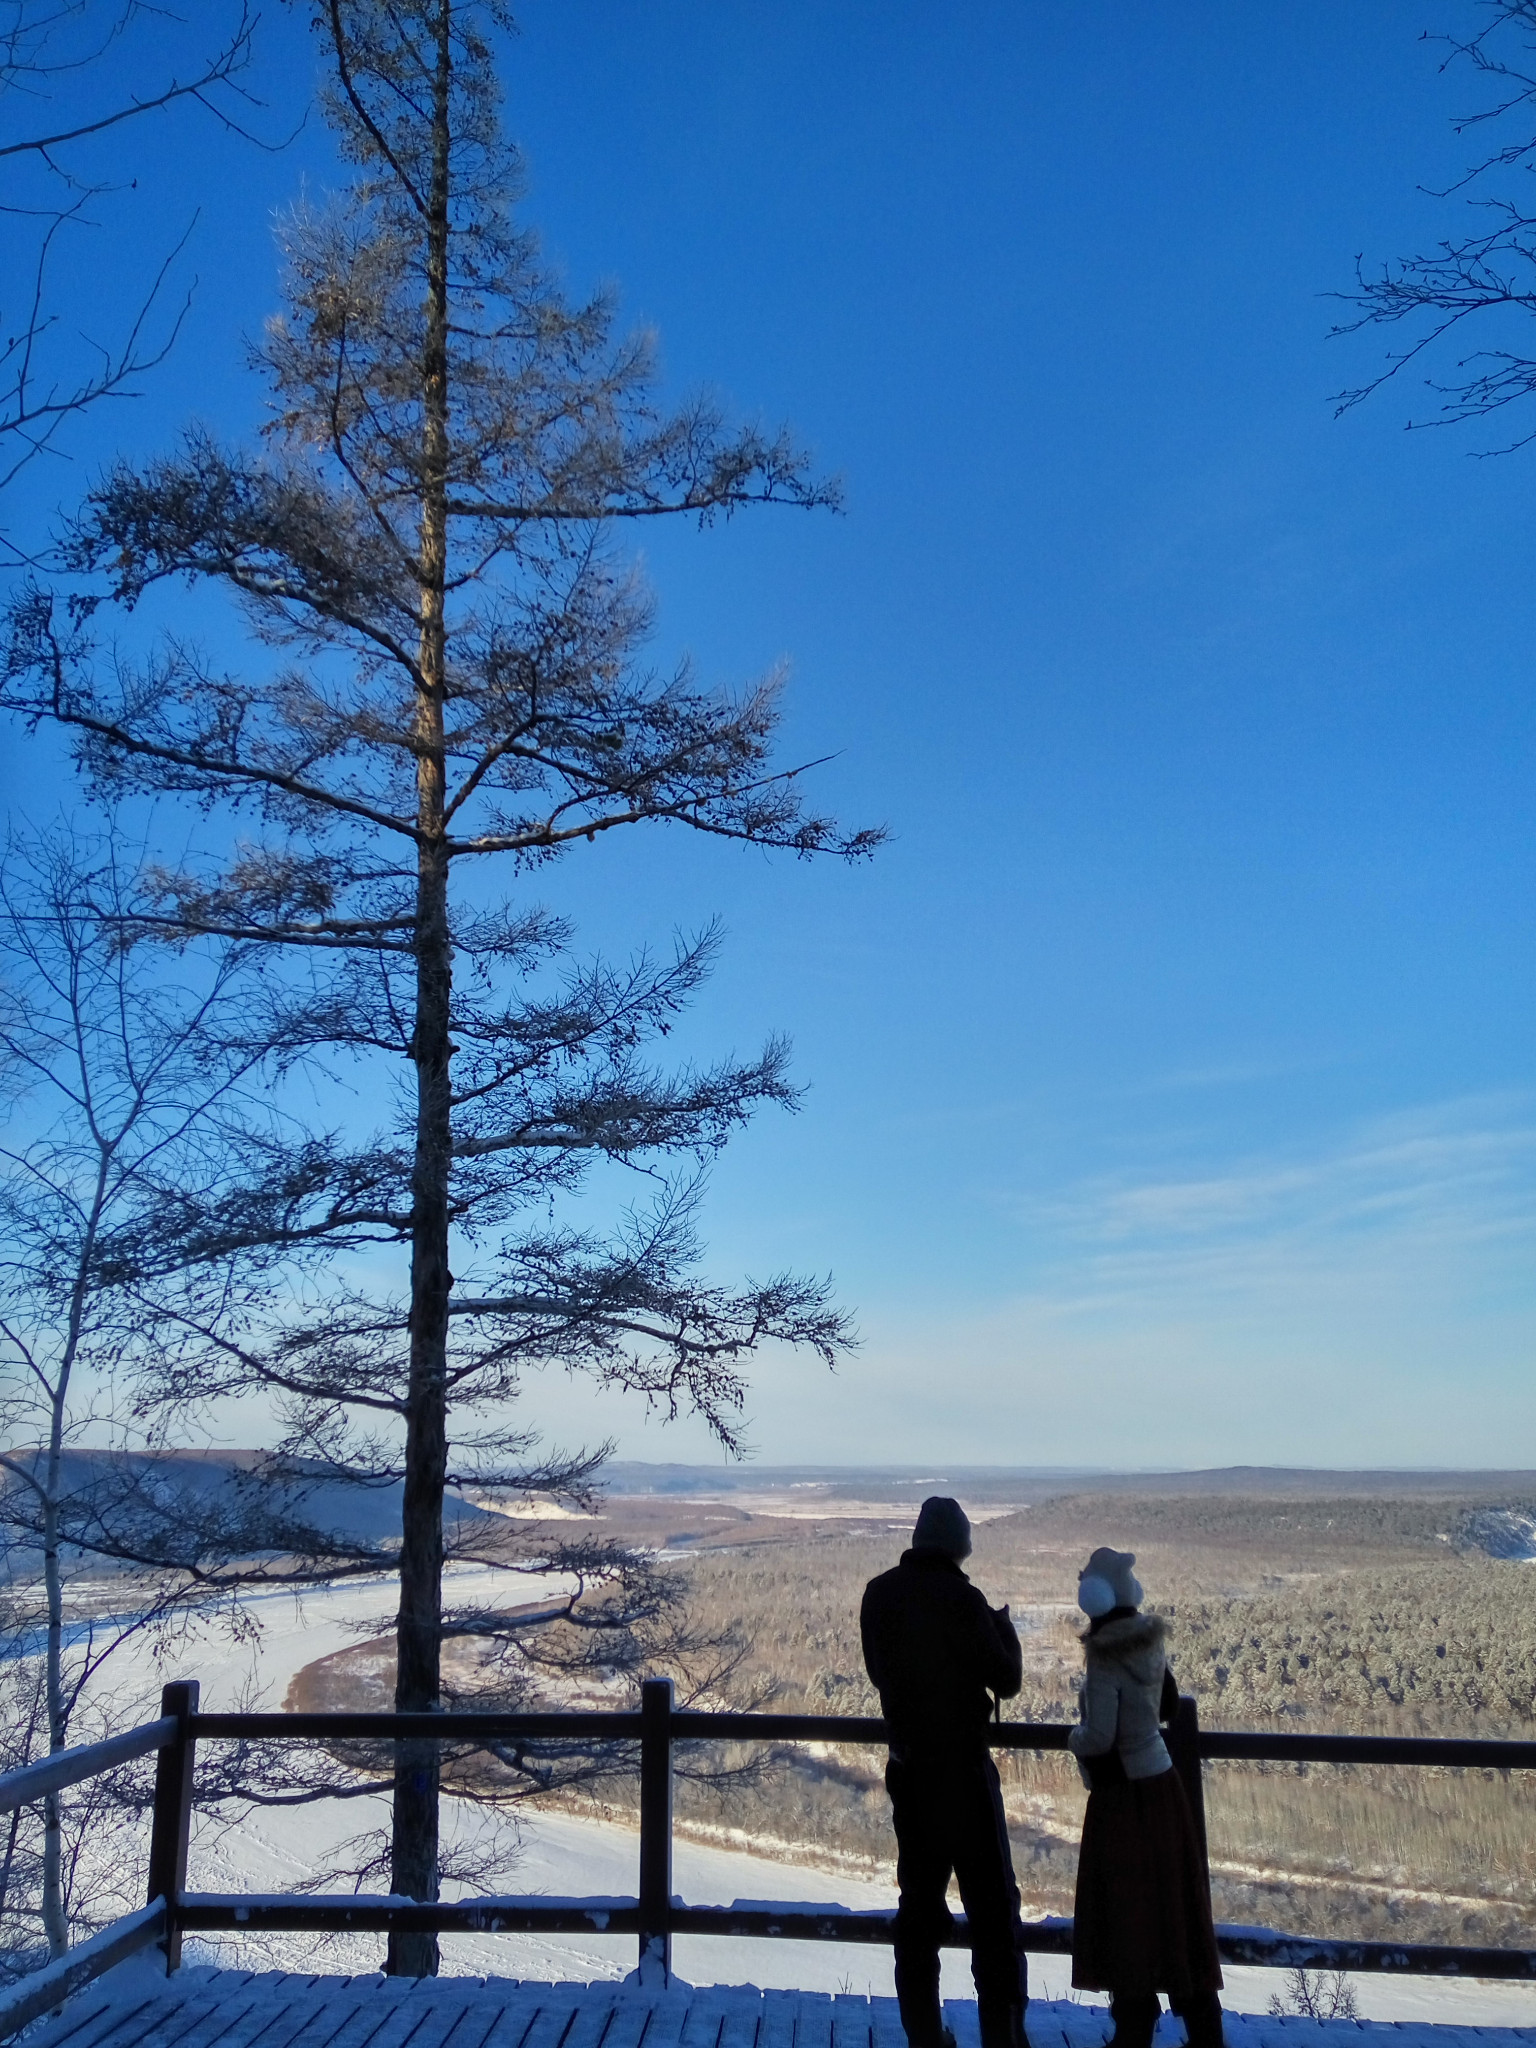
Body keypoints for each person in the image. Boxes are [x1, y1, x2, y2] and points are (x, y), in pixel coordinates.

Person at [861, 1496, 1029, 2048]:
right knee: (993, 1911)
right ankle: (1002, 2037)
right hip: (963, 1774)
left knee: (919, 1910)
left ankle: (925, 2037)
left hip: (910, 1774)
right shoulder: (964, 1599)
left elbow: (878, 1674)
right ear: (959, 1545)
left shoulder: (879, 1595)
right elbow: (1004, 1681)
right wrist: (1003, 1634)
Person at [1067, 1546, 1224, 2048]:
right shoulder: (1150, 1645)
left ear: (1094, 1598)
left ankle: (1133, 2027)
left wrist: (1071, 1737)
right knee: (1175, 1909)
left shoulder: (1105, 1657)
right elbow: (1168, 1705)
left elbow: (1099, 1736)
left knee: (1126, 1912)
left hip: (1122, 1801)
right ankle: (1203, 2029)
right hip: (1164, 1789)